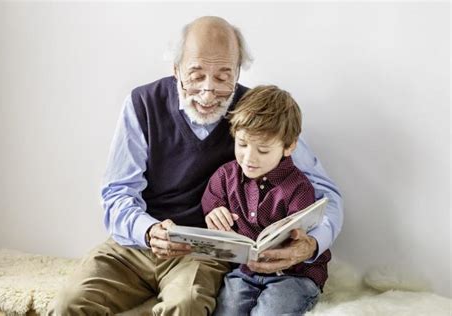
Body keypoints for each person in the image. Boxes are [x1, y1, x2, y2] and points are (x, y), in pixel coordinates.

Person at [48, 16, 343, 315]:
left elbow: (326, 195)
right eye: (196, 74)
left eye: (223, 76)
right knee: (69, 304)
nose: (208, 91)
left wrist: (312, 245)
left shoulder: (253, 112)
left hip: (200, 252)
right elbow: (116, 193)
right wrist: (148, 231)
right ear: (176, 69)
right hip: (132, 245)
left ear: (238, 70)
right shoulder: (143, 103)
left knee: (187, 304)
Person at [202, 85, 330, 315]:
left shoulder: (299, 188)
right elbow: (211, 199)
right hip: (244, 273)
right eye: (242, 145)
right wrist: (214, 211)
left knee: (270, 312)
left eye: (263, 150)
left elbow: (301, 237)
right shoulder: (225, 176)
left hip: (293, 276)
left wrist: (293, 237)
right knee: (227, 310)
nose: (249, 158)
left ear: (289, 146)